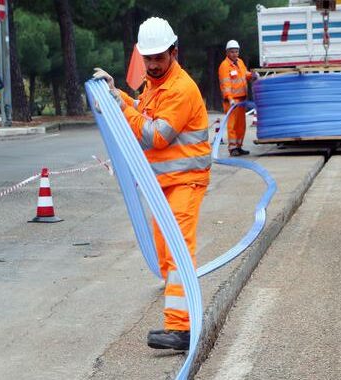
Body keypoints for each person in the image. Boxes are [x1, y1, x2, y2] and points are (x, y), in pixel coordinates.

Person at [93, 17, 210, 351]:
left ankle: (181, 329)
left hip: (186, 181)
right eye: (148, 58)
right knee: (164, 251)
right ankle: (178, 297)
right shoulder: (154, 84)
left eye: (160, 57)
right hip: (164, 184)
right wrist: (117, 94)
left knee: (177, 251)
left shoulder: (181, 89)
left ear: (174, 52)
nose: (154, 64)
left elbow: (156, 135)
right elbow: (142, 110)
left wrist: (120, 107)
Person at [218, 40, 258, 156]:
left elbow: (245, 74)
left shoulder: (240, 62)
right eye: (232, 52)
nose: (235, 54)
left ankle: (239, 146)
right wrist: (230, 99)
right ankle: (233, 148)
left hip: (242, 100)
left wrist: (252, 76)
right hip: (232, 101)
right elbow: (226, 85)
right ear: (227, 53)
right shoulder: (224, 66)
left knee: (241, 125)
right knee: (232, 125)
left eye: (236, 51)